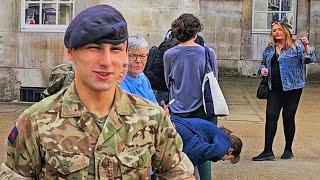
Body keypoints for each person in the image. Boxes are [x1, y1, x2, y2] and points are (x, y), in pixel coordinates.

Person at [0, 4, 195, 179]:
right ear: (71, 52)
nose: (107, 61)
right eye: (94, 48)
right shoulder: (35, 122)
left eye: (116, 49)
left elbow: (179, 173)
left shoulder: (152, 119)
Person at [163, 13, 218, 180]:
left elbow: (168, 82)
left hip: (178, 109)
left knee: (183, 152)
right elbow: (213, 80)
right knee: (204, 151)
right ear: (196, 32)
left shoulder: (169, 55)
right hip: (202, 108)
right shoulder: (208, 53)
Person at [252, 21, 317, 161]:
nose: (276, 32)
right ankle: (267, 151)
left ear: (285, 31)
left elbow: (310, 59)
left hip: (293, 88)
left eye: (279, 29)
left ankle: (288, 149)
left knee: (288, 117)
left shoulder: (296, 46)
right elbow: (262, 63)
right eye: (274, 30)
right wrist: (262, 70)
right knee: (271, 116)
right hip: (274, 88)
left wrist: (306, 45)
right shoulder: (269, 49)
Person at [170, 115, 242, 165]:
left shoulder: (220, 135)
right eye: (228, 158)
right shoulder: (224, 145)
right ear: (230, 151)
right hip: (180, 133)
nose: (224, 160)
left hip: (178, 126)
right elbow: (195, 154)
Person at [119, 35, 158, 104]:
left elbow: (153, 102)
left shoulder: (142, 77)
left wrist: (162, 111)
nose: (138, 60)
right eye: (133, 56)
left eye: (142, 56)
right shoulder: (119, 80)